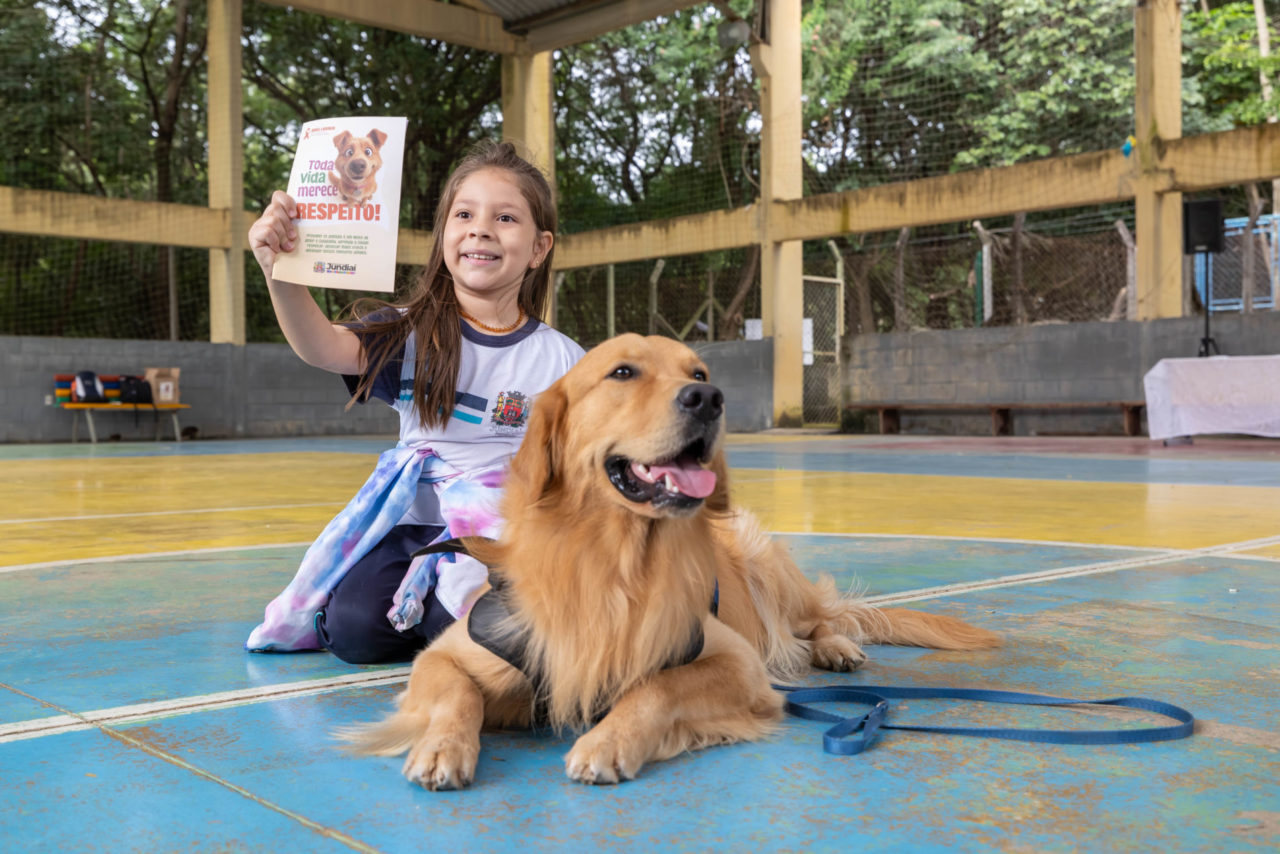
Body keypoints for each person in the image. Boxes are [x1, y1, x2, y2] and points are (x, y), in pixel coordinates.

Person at [243, 141, 584, 664]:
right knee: (354, 632)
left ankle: (454, 610)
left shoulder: (562, 360)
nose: (481, 229)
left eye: (505, 218)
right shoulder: (410, 331)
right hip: (412, 526)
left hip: (504, 526)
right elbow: (324, 347)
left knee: (482, 616)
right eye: (464, 214)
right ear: (444, 233)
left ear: (539, 248)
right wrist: (278, 272)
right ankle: (441, 609)